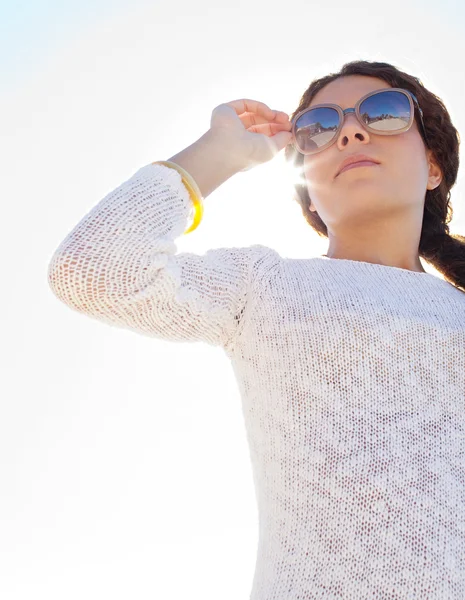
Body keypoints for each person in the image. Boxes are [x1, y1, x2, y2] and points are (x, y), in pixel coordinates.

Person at [47, 59, 465, 599]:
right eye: (320, 127)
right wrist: (220, 152)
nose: (353, 131)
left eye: (383, 113)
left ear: (433, 166)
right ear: (308, 192)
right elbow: (93, 269)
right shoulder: (263, 286)